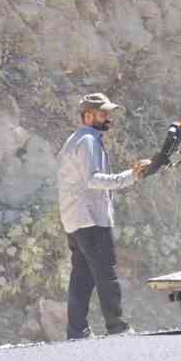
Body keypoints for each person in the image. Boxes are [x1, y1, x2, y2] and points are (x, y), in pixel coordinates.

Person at [57, 92, 151, 339]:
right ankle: (117, 327)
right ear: (88, 115)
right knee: (106, 273)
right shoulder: (87, 140)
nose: (108, 117)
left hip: (75, 220)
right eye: (102, 113)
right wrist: (132, 175)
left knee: (82, 277)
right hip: (91, 219)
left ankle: (77, 331)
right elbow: (93, 179)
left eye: (108, 112)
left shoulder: (77, 139)